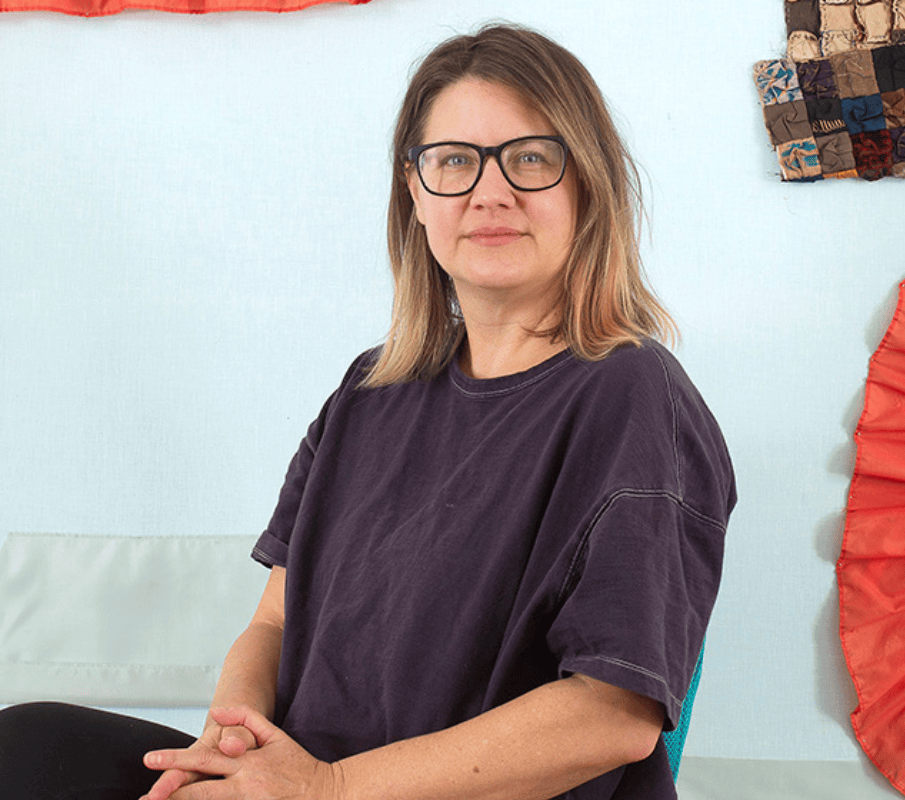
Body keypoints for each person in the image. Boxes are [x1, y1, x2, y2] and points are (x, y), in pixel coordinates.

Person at [0, 23, 735, 800]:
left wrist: (329, 788)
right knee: (30, 746)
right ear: (415, 192)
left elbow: (612, 714)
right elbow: (274, 627)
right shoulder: (368, 390)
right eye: (454, 161)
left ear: (587, 182)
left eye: (530, 157)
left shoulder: (634, 398)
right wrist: (231, 747)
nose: (491, 191)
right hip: (304, 775)